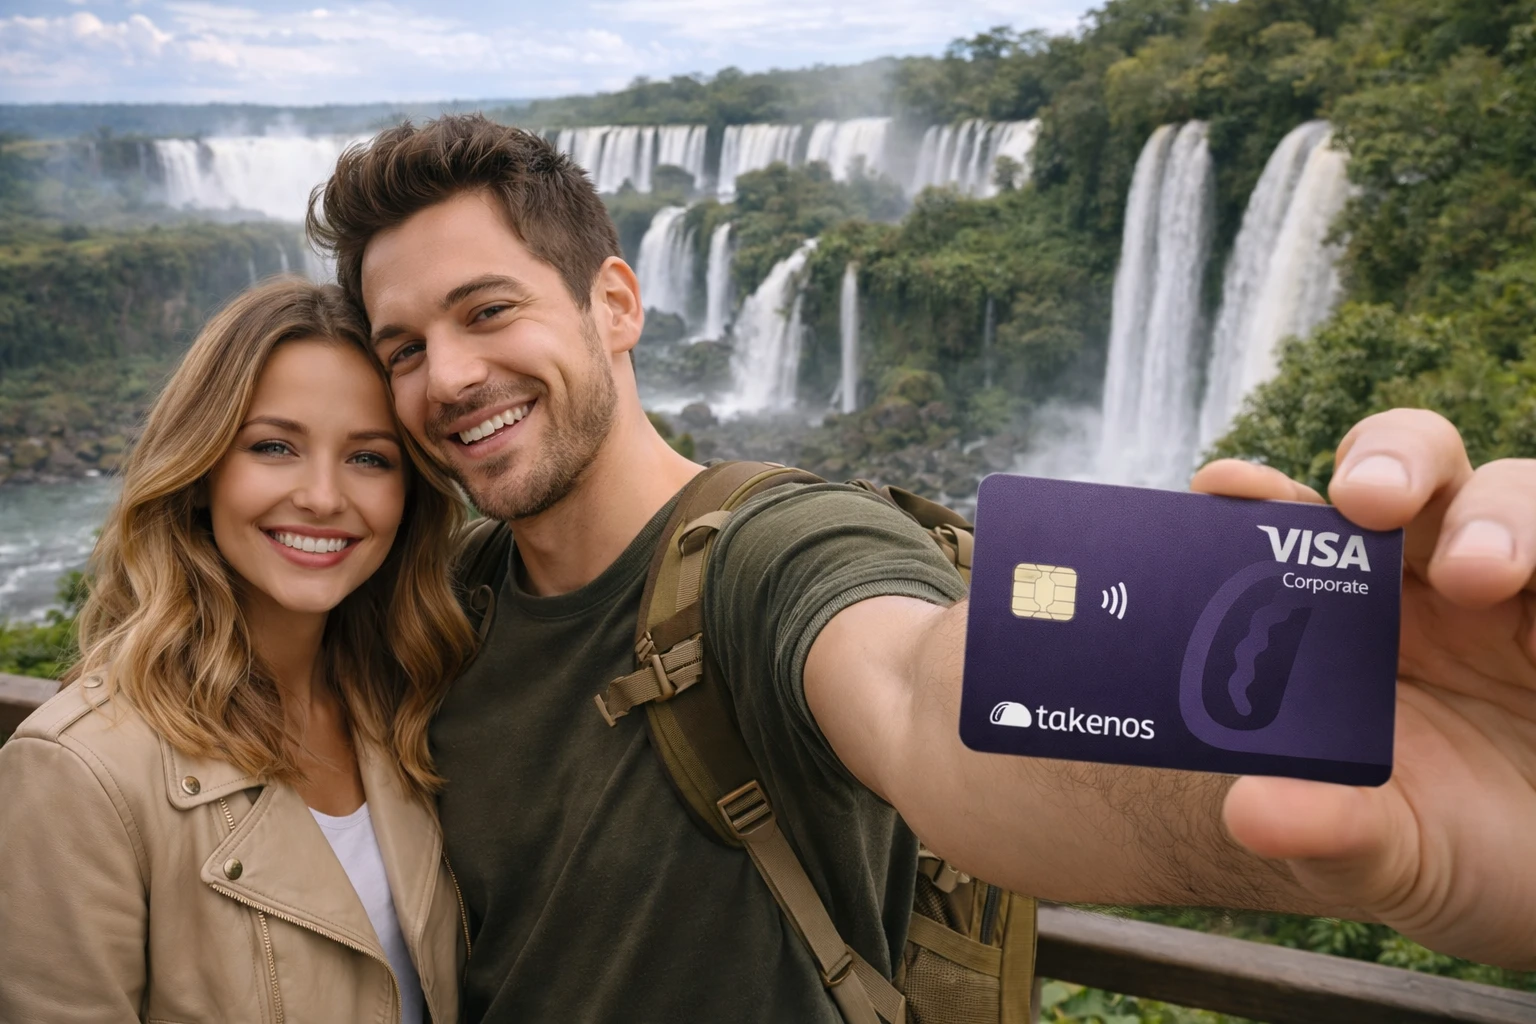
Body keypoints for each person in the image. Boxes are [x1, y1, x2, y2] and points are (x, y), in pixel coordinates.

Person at [310, 115, 1536, 1023]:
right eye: (404, 346)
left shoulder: (772, 556)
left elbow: (926, 703)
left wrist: (1361, 746)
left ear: (616, 304)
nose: (448, 377)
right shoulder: (443, 601)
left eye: (487, 312)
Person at [0, 279, 476, 1024]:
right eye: (273, 447)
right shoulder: (78, 773)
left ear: (408, 496)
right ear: (200, 474)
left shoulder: (409, 704)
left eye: (370, 458)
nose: (322, 496)